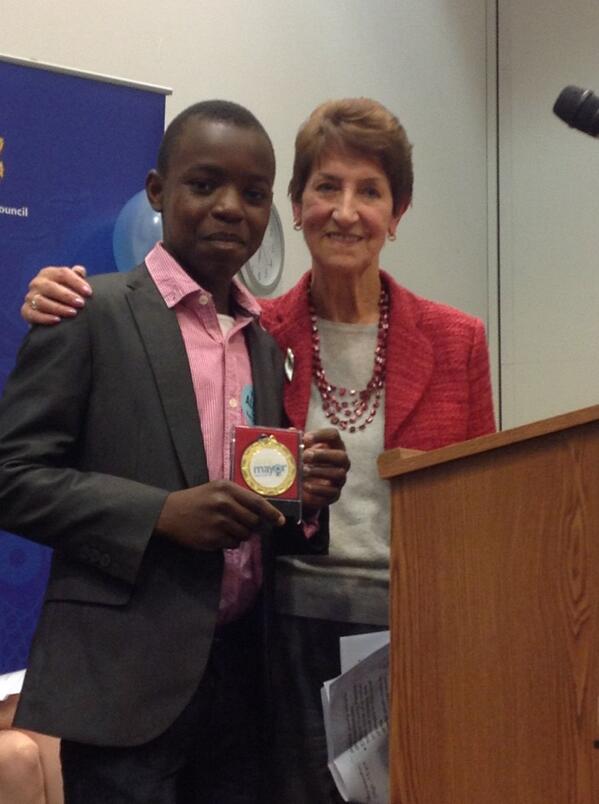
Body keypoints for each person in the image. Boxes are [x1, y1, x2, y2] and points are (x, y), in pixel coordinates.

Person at [21, 97, 496, 803]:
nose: (345, 210)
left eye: (371, 192)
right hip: (278, 642)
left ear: (396, 213)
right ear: (298, 208)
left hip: (419, 630)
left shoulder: (452, 339)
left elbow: (485, 501)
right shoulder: (254, 329)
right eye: (326, 187)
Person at [0, 99, 348, 804]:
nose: (229, 208)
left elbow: (264, 497)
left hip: (243, 684)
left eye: (253, 195)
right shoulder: (88, 311)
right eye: (203, 184)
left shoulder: (263, 341)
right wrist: (158, 513)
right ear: (157, 192)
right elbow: (11, 476)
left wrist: (307, 495)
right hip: (123, 687)